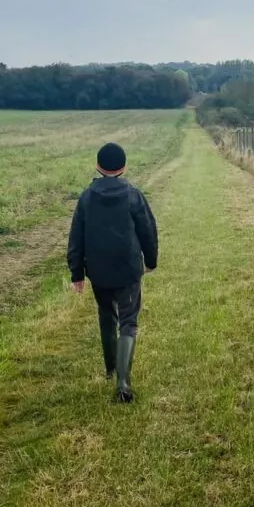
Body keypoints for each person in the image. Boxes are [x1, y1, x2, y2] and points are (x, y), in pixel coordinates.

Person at [67, 142, 158, 403]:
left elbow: (77, 237)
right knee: (128, 321)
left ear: (97, 166)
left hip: (99, 270)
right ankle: (123, 383)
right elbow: (147, 231)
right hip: (128, 269)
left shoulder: (86, 197)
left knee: (107, 316)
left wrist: (77, 273)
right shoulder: (133, 195)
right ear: (124, 167)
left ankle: (110, 369)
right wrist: (150, 260)